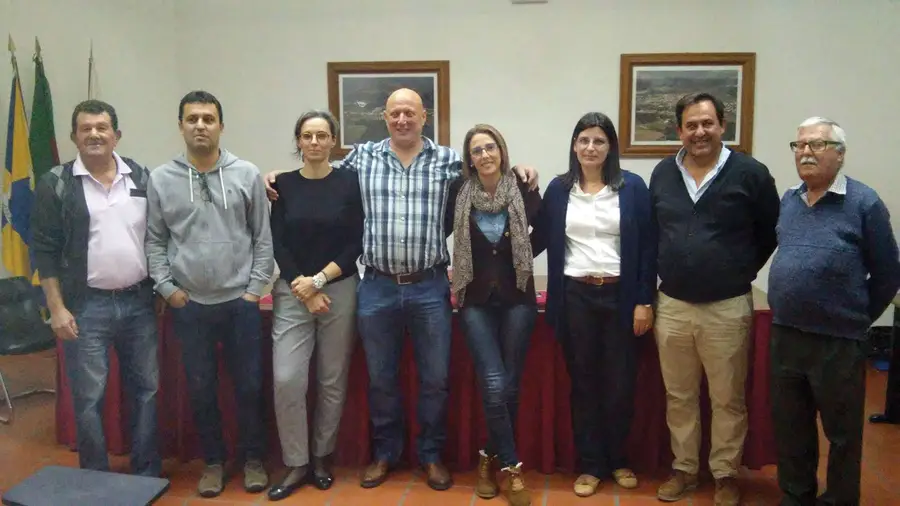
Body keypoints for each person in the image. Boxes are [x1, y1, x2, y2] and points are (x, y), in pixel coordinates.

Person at [263, 88, 538, 491]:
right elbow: (318, 170)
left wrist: (522, 169)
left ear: (424, 117)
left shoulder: (447, 160)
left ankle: (431, 456)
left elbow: (487, 170)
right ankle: (385, 454)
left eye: (410, 112)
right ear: (385, 118)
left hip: (430, 286)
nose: (402, 120)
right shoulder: (362, 158)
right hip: (378, 287)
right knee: (381, 379)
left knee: (435, 379)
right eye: (395, 113)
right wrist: (276, 177)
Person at [648, 92, 780, 505]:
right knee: (679, 396)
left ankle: (725, 474)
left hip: (727, 307)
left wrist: (741, 269)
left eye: (707, 123)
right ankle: (685, 469)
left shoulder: (750, 173)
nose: (700, 132)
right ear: (679, 130)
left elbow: (770, 231)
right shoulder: (663, 173)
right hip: (673, 306)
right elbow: (654, 231)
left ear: (723, 125)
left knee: (727, 398)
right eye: (691, 125)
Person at [145, 90, 274, 498]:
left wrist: (254, 290)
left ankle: (253, 460)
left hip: (240, 304)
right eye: (192, 119)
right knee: (201, 389)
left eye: (208, 119)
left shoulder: (246, 173)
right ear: (180, 125)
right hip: (190, 306)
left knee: (250, 387)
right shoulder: (161, 179)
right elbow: (154, 240)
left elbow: (262, 237)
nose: (200, 126)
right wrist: (168, 289)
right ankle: (214, 463)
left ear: (221, 126)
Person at [767, 117, 900, 506]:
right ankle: (796, 496)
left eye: (817, 144)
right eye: (799, 145)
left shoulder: (863, 202)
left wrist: (856, 316)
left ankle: (840, 499)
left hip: (838, 341)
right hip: (786, 334)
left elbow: (888, 272)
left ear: (840, 154)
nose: (805, 152)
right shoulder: (790, 200)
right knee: (791, 427)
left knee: (842, 434)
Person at [30, 99, 161, 477]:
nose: (94, 135)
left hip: (139, 302)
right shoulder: (56, 184)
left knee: (147, 390)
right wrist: (56, 308)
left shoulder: (141, 176)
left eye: (102, 128)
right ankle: (95, 478)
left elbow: (158, 236)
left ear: (116, 135)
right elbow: (44, 251)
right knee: (89, 397)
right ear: (74, 137)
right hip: (86, 307)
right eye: (85, 129)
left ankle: (146, 474)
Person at [537, 112, 656, 497]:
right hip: (575, 296)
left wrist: (644, 300)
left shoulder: (632, 188)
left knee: (620, 383)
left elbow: (648, 248)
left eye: (599, 141)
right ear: (574, 145)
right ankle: (590, 465)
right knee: (584, 382)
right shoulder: (558, 189)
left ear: (610, 147)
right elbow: (536, 237)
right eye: (584, 140)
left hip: (621, 296)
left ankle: (618, 459)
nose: (591, 147)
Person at [266, 110, 363, 501]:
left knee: (331, 379)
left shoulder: (350, 183)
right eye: (307, 136)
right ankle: (296, 462)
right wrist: (304, 287)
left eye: (322, 135)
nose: (315, 142)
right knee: (287, 378)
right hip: (292, 292)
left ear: (333, 141)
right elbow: (277, 241)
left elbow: (356, 241)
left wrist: (319, 281)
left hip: (339, 288)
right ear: (298, 141)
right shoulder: (282, 185)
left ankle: (322, 456)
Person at [446, 124, 542, 506]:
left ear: (501, 151)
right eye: (476, 150)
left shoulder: (524, 188)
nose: (484, 155)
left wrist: (520, 255)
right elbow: (441, 230)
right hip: (474, 299)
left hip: (518, 297)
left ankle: (487, 459)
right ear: (469, 159)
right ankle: (513, 470)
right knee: (493, 381)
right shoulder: (458, 192)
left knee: (510, 385)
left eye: (490, 147)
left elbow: (546, 230)